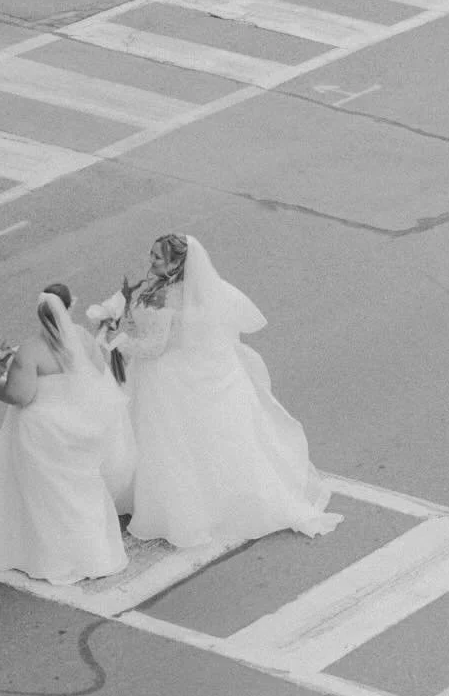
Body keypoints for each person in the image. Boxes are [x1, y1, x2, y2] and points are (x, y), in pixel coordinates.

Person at [117, 234, 341, 554]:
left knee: (169, 441)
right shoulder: (211, 290)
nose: (150, 260)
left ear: (177, 263)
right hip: (205, 371)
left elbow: (153, 347)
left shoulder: (167, 297)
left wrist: (117, 341)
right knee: (205, 437)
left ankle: (177, 508)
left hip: (168, 378)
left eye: (158, 257)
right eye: (152, 254)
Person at [0, 285, 129, 585]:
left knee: (43, 496)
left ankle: (49, 556)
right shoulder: (84, 340)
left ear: (39, 312)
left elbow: (20, 396)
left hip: (44, 432)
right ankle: (92, 553)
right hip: (81, 428)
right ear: (69, 306)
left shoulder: (32, 350)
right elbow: (100, 376)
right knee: (80, 492)